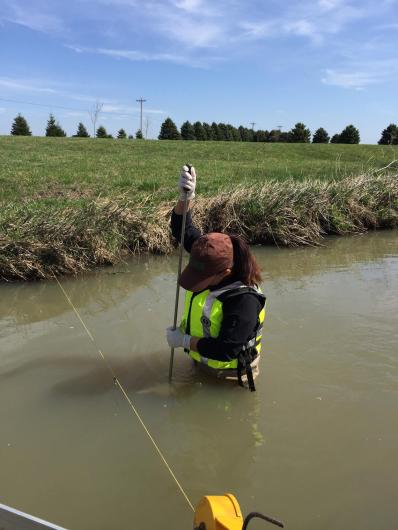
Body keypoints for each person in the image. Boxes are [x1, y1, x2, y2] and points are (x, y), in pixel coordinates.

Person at [166, 166, 266, 391]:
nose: (196, 281)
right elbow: (181, 227)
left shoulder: (244, 301)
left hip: (229, 376)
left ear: (225, 273)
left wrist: (183, 341)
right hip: (201, 361)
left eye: (202, 278)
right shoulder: (207, 254)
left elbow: (226, 350)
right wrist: (186, 197)